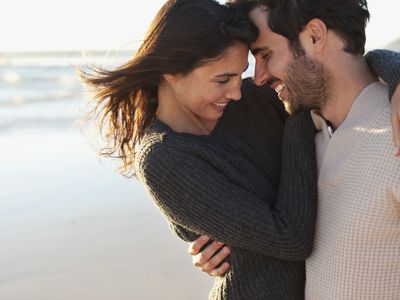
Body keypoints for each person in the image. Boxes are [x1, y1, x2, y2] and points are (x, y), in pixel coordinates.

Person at [80, 0, 399, 298]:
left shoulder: (260, 104)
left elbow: (346, 69)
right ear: (173, 72)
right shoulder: (167, 156)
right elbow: (282, 235)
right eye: (223, 79)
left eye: (259, 59)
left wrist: (395, 72)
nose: (248, 84)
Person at [188, 0, 400, 298]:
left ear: (314, 35)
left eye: (265, 54)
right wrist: (236, 252)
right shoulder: (301, 131)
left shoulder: (393, 137)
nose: (259, 77)